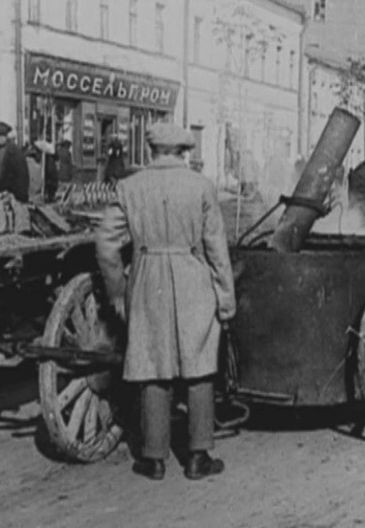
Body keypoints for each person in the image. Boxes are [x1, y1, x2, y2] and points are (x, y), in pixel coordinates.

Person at [96, 122, 236, 481]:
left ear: (151, 150)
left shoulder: (130, 186)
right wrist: (225, 300)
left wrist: (118, 291)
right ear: (184, 152)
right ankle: (198, 456)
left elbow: (106, 245)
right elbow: (217, 250)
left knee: (151, 362)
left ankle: (153, 458)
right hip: (193, 280)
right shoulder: (201, 187)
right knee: (199, 364)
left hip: (147, 279)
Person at [0, 121, 30, 202]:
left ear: (6, 136)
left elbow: (22, 175)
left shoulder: (15, 152)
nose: (0, 139)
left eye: (2, 136)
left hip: (13, 194)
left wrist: (21, 195)